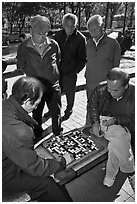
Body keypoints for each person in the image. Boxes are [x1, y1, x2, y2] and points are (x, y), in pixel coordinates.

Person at [2, 76, 73, 202]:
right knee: (47, 183)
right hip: (5, 177)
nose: (37, 107)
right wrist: (61, 162)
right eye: (37, 103)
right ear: (28, 101)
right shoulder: (20, 132)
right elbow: (35, 167)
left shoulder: (4, 104)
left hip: (7, 160)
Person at [17, 14, 63, 141]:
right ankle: (37, 133)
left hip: (53, 86)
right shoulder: (23, 47)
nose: (42, 38)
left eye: (45, 34)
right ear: (30, 30)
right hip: (36, 88)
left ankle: (57, 131)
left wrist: (52, 74)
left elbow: (58, 60)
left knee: (56, 111)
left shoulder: (54, 45)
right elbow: (21, 65)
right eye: (38, 34)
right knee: (37, 112)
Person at [88, 67, 135, 190]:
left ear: (126, 86)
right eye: (108, 88)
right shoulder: (101, 88)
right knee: (120, 139)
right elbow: (92, 106)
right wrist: (95, 122)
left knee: (116, 142)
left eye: (115, 90)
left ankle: (111, 174)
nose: (110, 92)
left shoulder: (134, 93)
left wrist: (116, 120)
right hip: (105, 120)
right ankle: (130, 172)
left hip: (127, 124)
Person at [84, 14, 121, 127]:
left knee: (104, 108)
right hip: (90, 82)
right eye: (90, 31)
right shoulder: (88, 43)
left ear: (102, 27)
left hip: (105, 84)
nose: (92, 33)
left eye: (95, 29)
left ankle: (103, 128)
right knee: (90, 105)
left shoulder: (113, 44)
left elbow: (116, 67)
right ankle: (89, 125)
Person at [55, 13, 87, 121]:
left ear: (76, 25)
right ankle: (54, 110)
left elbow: (83, 59)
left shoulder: (81, 39)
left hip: (71, 72)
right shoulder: (58, 35)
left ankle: (69, 110)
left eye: (72, 26)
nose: (70, 28)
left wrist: (75, 71)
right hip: (58, 71)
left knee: (70, 94)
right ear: (63, 25)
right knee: (56, 93)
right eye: (67, 26)